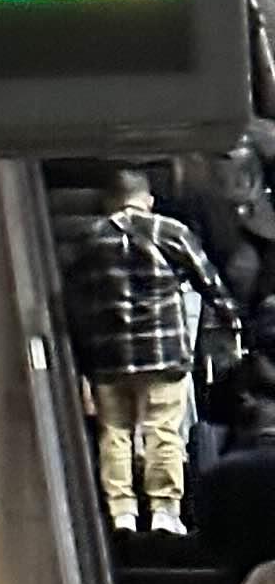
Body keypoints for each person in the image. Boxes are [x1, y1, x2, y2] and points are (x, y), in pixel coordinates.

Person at [61, 166, 232, 536]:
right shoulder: (170, 231)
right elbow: (210, 282)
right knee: (163, 430)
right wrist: (231, 320)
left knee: (115, 433)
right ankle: (164, 512)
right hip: (164, 353)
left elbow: (72, 298)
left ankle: (121, 511)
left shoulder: (88, 239)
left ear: (108, 201)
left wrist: (82, 354)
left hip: (109, 356)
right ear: (148, 200)